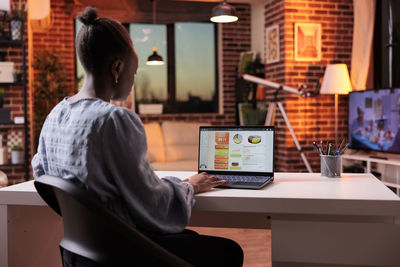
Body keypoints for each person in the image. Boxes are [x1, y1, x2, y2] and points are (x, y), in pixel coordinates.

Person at [31, 6, 243, 267]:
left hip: (83, 254)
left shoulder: (55, 114)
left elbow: (42, 174)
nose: (133, 78)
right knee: (228, 251)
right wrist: (190, 185)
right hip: (127, 255)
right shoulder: (113, 119)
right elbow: (155, 207)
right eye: (134, 69)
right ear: (117, 67)